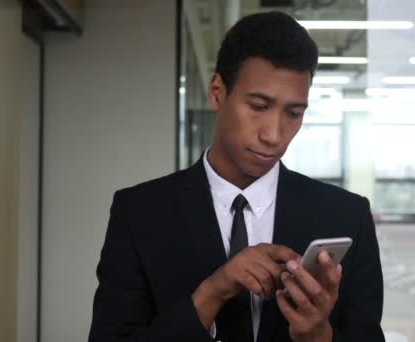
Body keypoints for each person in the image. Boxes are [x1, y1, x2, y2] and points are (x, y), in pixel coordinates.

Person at [88, 11, 384, 342]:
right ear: (217, 92)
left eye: (293, 113)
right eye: (258, 106)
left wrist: (319, 336)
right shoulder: (139, 213)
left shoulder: (347, 217)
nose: (274, 135)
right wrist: (211, 294)